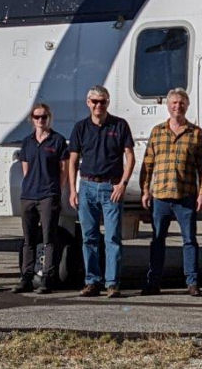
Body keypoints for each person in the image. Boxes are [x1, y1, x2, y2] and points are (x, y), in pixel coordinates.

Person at [68, 85, 135, 298]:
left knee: (112, 237)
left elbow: (130, 156)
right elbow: (72, 161)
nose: (98, 105)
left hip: (111, 188)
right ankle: (92, 281)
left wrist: (123, 183)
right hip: (87, 186)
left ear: (108, 102)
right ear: (88, 103)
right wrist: (73, 189)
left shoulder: (119, 125)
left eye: (102, 101)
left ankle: (112, 283)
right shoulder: (80, 127)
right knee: (89, 237)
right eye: (95, 101)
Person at [140, 88, 202, 296]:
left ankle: (192, 282)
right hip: (160, 195)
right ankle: (153, 282)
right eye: (174, 103)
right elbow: (148, 163)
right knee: (158, 240)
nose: (177, 106)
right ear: (168, 106)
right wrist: (145, 190)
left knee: (189, 240)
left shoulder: (195, 133)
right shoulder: (157, 131)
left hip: (185, 196)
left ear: (187, 106)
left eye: (181, 103)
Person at [14, 103, 69, 294]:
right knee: (29, 239)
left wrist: (56, 191)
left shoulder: (58, 141)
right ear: (32, 119)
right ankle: (26, 277)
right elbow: (26, 169)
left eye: (44, 117)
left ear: (49, 118)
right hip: (29, 195)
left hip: (48, 195)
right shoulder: (27, 142)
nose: (40, 120)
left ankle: (47, 277)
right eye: (37, 117)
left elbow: (63, 170)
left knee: (48, 238)